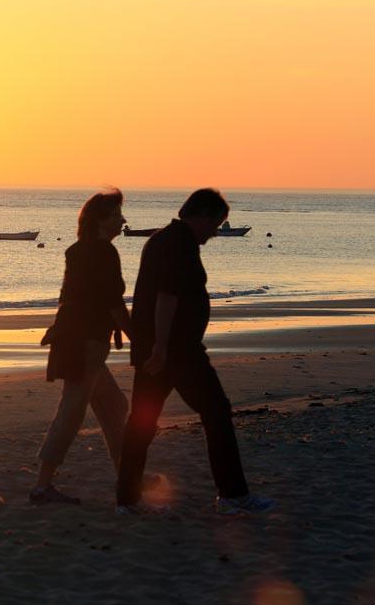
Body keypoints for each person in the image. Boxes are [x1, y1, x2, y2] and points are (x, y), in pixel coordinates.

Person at [115, 188, 274, 515]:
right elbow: (166, 297)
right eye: (216, 223)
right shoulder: (179, 243)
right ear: (201, 214)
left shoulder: (161, 239)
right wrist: (160, 348)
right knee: (216, 412)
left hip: (159, 350)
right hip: (177, 353)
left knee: (142, 422)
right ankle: (232, 495)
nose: (215, 232)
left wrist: (152, 347)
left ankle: (127, 500)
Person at [30, 189, 135, 505]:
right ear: (101, 220)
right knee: (72, 412)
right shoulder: (104, 253)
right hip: (86, 345)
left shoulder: (77, 251)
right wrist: (139, 338)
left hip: (78, 342)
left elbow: (73, 297)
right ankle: (42, 486)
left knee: (114, 406)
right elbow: (113, 304)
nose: (123, 220)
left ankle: (128, 477)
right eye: (116, 215)